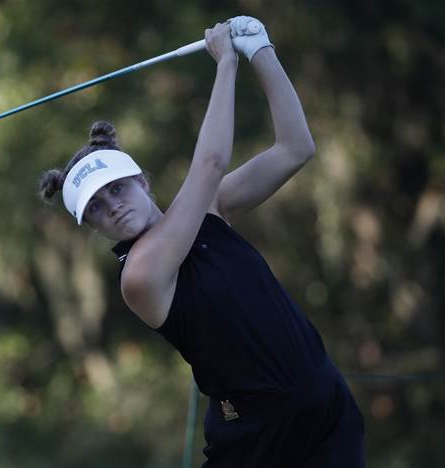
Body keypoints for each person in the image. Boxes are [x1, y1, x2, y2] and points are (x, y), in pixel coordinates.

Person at [38, 17, 365, 467]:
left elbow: (296, 148)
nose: (110, 207)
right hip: (256, 441)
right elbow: (210, 163)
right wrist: (226, 62)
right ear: (91, 228)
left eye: (116, 188)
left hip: (326, 408)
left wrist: (261, 51)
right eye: (94, 208)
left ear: (142, 180)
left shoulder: (212, 210)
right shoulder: (140, 276)